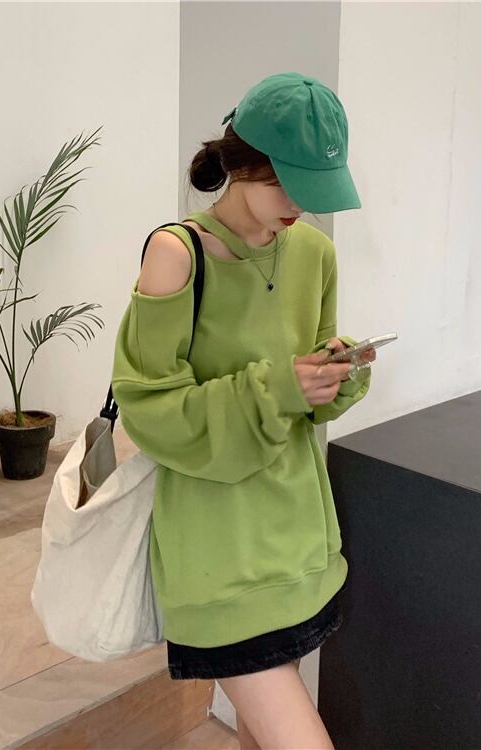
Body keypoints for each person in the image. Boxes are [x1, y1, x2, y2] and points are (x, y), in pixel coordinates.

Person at [112, 71, 375, 749]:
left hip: (299, 541)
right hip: (219, 552)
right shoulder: (176, 254)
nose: (300, 206)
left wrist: (335, 374)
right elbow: (149, 408)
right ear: (240, 163)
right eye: (286, 183)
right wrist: (282, 387)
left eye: (313, 189)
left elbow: (305, 400)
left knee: (262, 736)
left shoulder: (314, 253)